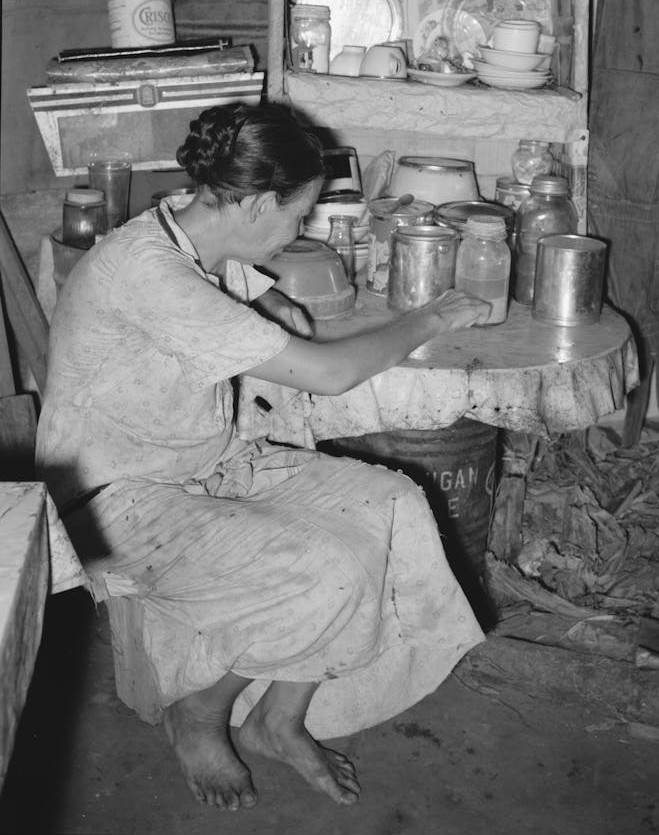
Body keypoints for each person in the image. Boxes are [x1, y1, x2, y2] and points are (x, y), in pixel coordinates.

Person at [36, 101, 491, 812]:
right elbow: (332, 373)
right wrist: (428, 317)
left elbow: (260, 307)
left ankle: (278, 721)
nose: (300, 230)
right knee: (327, 571)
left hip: (204, 461)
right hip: (115, 501)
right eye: (297, 214)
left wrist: (279, 316)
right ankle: (200, 709)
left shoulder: (188, 235)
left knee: (390, 506)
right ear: (251, 203)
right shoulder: (149, 273)